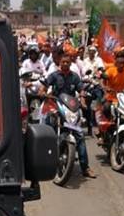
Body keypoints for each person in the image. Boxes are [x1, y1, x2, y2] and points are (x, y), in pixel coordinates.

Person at [40, 51, 96, 179]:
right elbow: (45, 85)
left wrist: (82, 99)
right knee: (48, 128)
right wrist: (43, 92)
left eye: (67, 62)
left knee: (80, 136)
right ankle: (43, 159)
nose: (65, 64)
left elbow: (81, 89)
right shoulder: (54, 75)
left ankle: (85, 167)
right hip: (56, 105)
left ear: (70, 64)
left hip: (70, 109)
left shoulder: (75, 77)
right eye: (63, 62)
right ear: (59, 63)